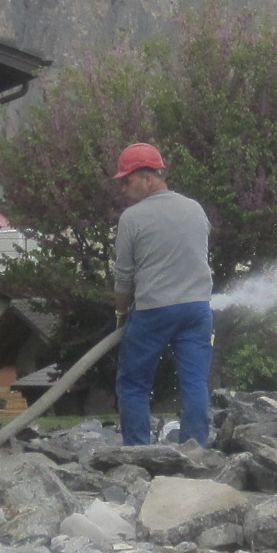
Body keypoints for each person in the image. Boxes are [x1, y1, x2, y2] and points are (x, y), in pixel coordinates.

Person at [110, 142, 213, 446]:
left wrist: (119, 313)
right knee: (194, 382)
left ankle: (137, 454)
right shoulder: (195, 209)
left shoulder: (133, 218)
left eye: (127, 181)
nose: (123, 189)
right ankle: (196, 449)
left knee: (133, 384)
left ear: (148, 179)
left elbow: (124, 277)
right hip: (197, 310)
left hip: (154, 311)